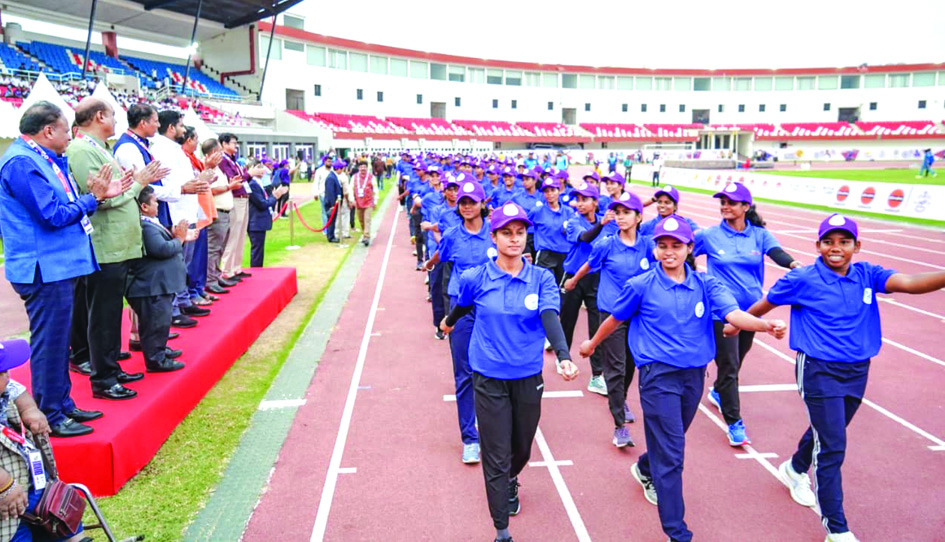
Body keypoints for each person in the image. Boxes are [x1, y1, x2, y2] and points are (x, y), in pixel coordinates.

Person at [579, 215, 787, 542]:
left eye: (676, 245)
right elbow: (615, 319)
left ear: (690, 247)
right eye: (662, 245)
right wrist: (592, 344)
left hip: (693, 377)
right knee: (673, 453)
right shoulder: (641, 285)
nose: (669, 251)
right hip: (657, 377)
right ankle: (677, 532)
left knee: (669, 442)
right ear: (655, 248)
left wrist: (765, 326)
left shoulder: (707, 284)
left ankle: (645, 467)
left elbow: (733, 315)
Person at [744, 213, 945, 542]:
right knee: (833, 447)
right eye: (828, 241)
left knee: (828, 432)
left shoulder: (868, 275)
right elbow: (766, 304)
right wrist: (738, 324)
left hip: (857, 371)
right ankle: (836, 530)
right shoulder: (803, 279)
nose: (835, 247)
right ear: (818, 245)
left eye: (844, 241)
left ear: (857, 246)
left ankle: (794, 468)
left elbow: (908, 283)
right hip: (818, 370)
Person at [440, 201, 579, 542]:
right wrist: (448, 322)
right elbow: (462, 305)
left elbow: (549, 316)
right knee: (496, 454)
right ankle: (501, 529)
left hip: (528, 375)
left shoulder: (541, 278)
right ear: (494, 237)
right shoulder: (475, 277)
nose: (514, 239)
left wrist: (563, 355)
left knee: (522, 449)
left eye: (519, 233)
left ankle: (511, 477)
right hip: (488, 376)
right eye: (506, 233)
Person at [0, 101, 131, 437]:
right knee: (51, 343)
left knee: (59, 342)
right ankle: (51, 414)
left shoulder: (43, 159)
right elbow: (53, 215)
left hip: (56, 265)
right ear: (48, 131)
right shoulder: (22, 162)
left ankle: (62, 403)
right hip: (44, 268)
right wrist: (93, 198)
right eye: (64, 129)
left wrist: (96, 197)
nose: (69, 136)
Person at [693, 182, 802, 446]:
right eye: (722, 202)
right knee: (730, 365)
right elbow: (685, 252)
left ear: (745, 206)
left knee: (738, 359)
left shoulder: (759, 235)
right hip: (721, 313)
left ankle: (719, 390)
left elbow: (777, 253)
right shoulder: (709, 235)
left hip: (751, 312)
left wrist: (794, 264)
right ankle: (735, 423)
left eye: (731, 202)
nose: (725, 207)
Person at [66, 98, 158, 401]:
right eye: (112, 116)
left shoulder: (99, 148)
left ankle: (110, 369)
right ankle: (103, 379)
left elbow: (115, 191)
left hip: (117, 244)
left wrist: (132, 185)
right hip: (105, 245)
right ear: (99, 116)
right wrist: (138, 184)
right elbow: (102, 198)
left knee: (110, 313)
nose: (116, 121)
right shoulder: (82, 150)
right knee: (103, 315)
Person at [567, 192, 654, 446]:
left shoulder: (648, 245)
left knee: (630, 364)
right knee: (616, 366)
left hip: (638, 315)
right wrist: (574, 280)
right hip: (611, 313)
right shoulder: (606, 244)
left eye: (627, 213)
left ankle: (621, 398)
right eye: (618, 212)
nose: (621, 217)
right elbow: (589, 264)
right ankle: (619, 426)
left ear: (639, 217)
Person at [422, 177, 492, 461]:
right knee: (464, 372)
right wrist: (429, 264)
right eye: (462, 202)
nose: (466, 206)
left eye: (472, 202)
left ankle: (493, 423)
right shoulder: (452, 234)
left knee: (492, 368)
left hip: (492, 307)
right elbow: (442, 254)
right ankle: (470, 438)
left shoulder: (495, 232)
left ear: (482, 203)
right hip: (461, 309)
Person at [0, 338, 92, 541]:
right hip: (5, 505)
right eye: (3, 372)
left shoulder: (5, 387)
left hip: (32, 483)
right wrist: (4, 485)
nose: (8, 376)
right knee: (14, 534)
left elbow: (16, 388)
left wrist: (29, 409)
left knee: (62, 515)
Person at [150, 111, 214, 322]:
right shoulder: (161, 149)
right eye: (181, 126)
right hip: (176, 211)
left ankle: (184, 300)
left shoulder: (174, 149)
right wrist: (186, 187)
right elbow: (168, 184)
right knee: (177, 263)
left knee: (185, 262)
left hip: (186, 209)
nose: (184, 130)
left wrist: (201, 179)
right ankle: (175, 308)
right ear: (171, 128)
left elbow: (185, 179)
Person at [559, 181, 612, 398]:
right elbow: (586, 238)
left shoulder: (608, 223)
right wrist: (601, 224)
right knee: (567, 320)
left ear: (595, 202)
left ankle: (597, 375)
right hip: (573, 276)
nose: (580, 203)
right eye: (577, 200)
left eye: (585, 199)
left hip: (596, 278)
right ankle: (564, 357)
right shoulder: (574, 222)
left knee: (596, 325)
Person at [126, 186, 187, 374]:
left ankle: (159, 350)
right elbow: (161, 249)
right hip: (151, 285)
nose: (158, 204)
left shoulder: (149, 223)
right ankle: (156, 360)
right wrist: (179, 239)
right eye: (155, 201)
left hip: (157, 284)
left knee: (159, 321)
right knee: (154, 322)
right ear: (144, 206)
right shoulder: (145, 227)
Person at [203, 138, 242, 295]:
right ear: (213, 152)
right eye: (219, 151)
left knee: (220, 247)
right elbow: (210, 190)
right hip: (217, 211)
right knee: (213, 248)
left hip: (224, 211)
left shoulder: (217, 168)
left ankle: (216, 275)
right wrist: (229, 187)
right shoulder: (209, 169)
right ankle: (210, 280)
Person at [218, 133, 255, 283]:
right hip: (235, 197)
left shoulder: (233, 160)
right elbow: (233, 179)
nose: (236, 146)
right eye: (233, 143)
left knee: (241, 234)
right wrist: (249, 174)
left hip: (243, 197)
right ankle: (226, 270)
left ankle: (236, 267)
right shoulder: (223, 160)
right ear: (224, 144)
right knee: (234, 234)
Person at [527, 177, 575, 287]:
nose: (550, 194)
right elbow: (524, 227)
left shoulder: (568, 212)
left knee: (562, 287)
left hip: (564, 254)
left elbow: (573, 230)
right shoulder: (537, 211)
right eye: (546, 191)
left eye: (553, 190)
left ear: (559, 190)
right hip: (545, 255)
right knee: (546, 285)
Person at [247, 172, 289, 267]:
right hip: (255, 222)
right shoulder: (253, 184)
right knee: (257, 251)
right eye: (260, 167)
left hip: (259, 221)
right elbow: (262, 203)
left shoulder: (258, 183)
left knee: (259, 250)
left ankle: (258, 270)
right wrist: (275, 196)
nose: (263, 171)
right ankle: (256, 271)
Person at [352, 160, 378, 246]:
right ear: (358, 168)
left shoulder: (371, 177)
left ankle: (366, 236)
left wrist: (375, 201)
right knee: (361, 220)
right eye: (361, 167)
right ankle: (364, 234)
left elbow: (375, 190)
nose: (363, 169)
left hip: (368, 202)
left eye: (364, 167)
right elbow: (350, 188)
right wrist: (352, 200)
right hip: (358, 202)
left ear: (367, 168)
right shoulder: (354, 177)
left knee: (367, 219)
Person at [323, 160, 344, 243]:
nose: (342, 170)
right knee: (331, 220)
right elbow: (330, 192)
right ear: (338, 168)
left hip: (335, 203)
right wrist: (333, 204)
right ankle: (330, 236)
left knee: (333, 219)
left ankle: (332, 235)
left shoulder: (334, 176)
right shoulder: (331, 178)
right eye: (342, 168)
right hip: (331, 203)